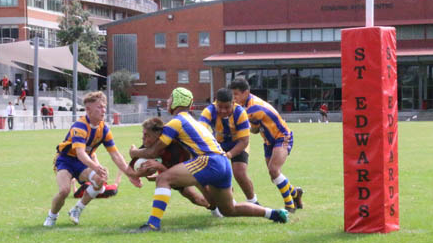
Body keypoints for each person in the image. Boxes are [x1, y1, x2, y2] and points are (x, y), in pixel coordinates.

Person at [130, 87, 288, 232]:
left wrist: (134, 153)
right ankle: (274, 213)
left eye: (170, 98)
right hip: (223, 163)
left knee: (163, 179)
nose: (168, 101)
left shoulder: (176, 121)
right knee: (229, 210)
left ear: (177, 100)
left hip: (209, 161)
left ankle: (152, 224)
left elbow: (154, 151)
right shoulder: (192, 120)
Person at [43, 91, 141, 227]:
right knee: (64, 191)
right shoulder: (80, 126)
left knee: (100, 179)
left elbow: (115, 155)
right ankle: (52, 216)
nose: (103, 110)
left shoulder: (104, 129)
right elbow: (80, 153)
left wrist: (130, 174)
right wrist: (96, 167)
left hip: (82, 162)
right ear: (88, 109)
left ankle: (77, 209)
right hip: (66, 160)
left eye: (104, 107)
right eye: (99, 107)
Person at [229, 76, 303, 213]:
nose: (234, 98)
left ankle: (290, 206)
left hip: (282, 136)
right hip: (269, 141)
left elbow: (249, 128)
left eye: (236, 94)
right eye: (232, 95)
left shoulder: (253, 108)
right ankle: (295, 193)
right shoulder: (247, 105)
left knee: (274, 170)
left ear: (246, 92)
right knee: (273, 175)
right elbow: (255, 129)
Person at [130, 116, 213, 210]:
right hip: (171, 170)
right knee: (193, 198)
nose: (143, 138)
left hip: (191, 166)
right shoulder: (149, 145)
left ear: (158, 136)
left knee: (207, 191)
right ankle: (213, 208)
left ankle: (219, 205)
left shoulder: (175, 149)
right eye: (143, 134)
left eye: (147, 135)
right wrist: (135, 174)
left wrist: (159, 167)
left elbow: (175, 176)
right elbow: (134, 160)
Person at [199, 87, 259, 209]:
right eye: (220, 107)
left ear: (233, 102)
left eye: (227, 107)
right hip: (218, 146)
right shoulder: (208, 111)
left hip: (238, 144)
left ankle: (253, 201)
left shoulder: (240, 112)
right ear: (216, 102)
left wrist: (229, 155)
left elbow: (244, 141)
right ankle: (225, 202)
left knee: (239, 173)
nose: (223, 111)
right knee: (216, 174)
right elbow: (199, 133)